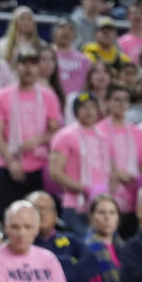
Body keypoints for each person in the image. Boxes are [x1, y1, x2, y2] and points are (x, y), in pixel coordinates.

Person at [0, 50, 62, 209]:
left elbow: (55, 130)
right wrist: (11, 161)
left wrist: (38, 140)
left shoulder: (48, 96)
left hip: (39, 166)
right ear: (16, 66)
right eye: (24, 63)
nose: (29, 68)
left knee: (38, 217)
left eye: (33, 64)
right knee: (8, 214)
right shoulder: (1, 96)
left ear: (39, 67)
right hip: (8, 165)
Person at [49, 91, 113, 236]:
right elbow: (55, 172)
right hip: (75, 204)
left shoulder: (103, 136)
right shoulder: (65, 136)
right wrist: (85, 189)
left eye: (93, 107)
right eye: (84, 107)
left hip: (101, 205)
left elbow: (111, 170)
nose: (89, 111)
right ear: (76, 111)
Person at [96, 84, 142, 235]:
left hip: (132, 195)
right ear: (107, 102)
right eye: (116, 99)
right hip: (106, 193)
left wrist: (135, 178)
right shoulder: (98, 131)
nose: (121, 104)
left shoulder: (139, 133)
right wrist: (115, 173)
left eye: (125, 100)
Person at [84, 194, 125, 282]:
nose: (107, 218)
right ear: (91, 216)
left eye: (112, 213)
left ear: (118, 217)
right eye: (101, 212)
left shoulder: (126, 247)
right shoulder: (86, 249)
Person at [52, 18, 91, 96]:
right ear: (55, 32)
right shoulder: (46, 56)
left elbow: (87, 85)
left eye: (70, 29)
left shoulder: (84, 60)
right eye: (62, 27)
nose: (66, 32)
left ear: (75, 35)